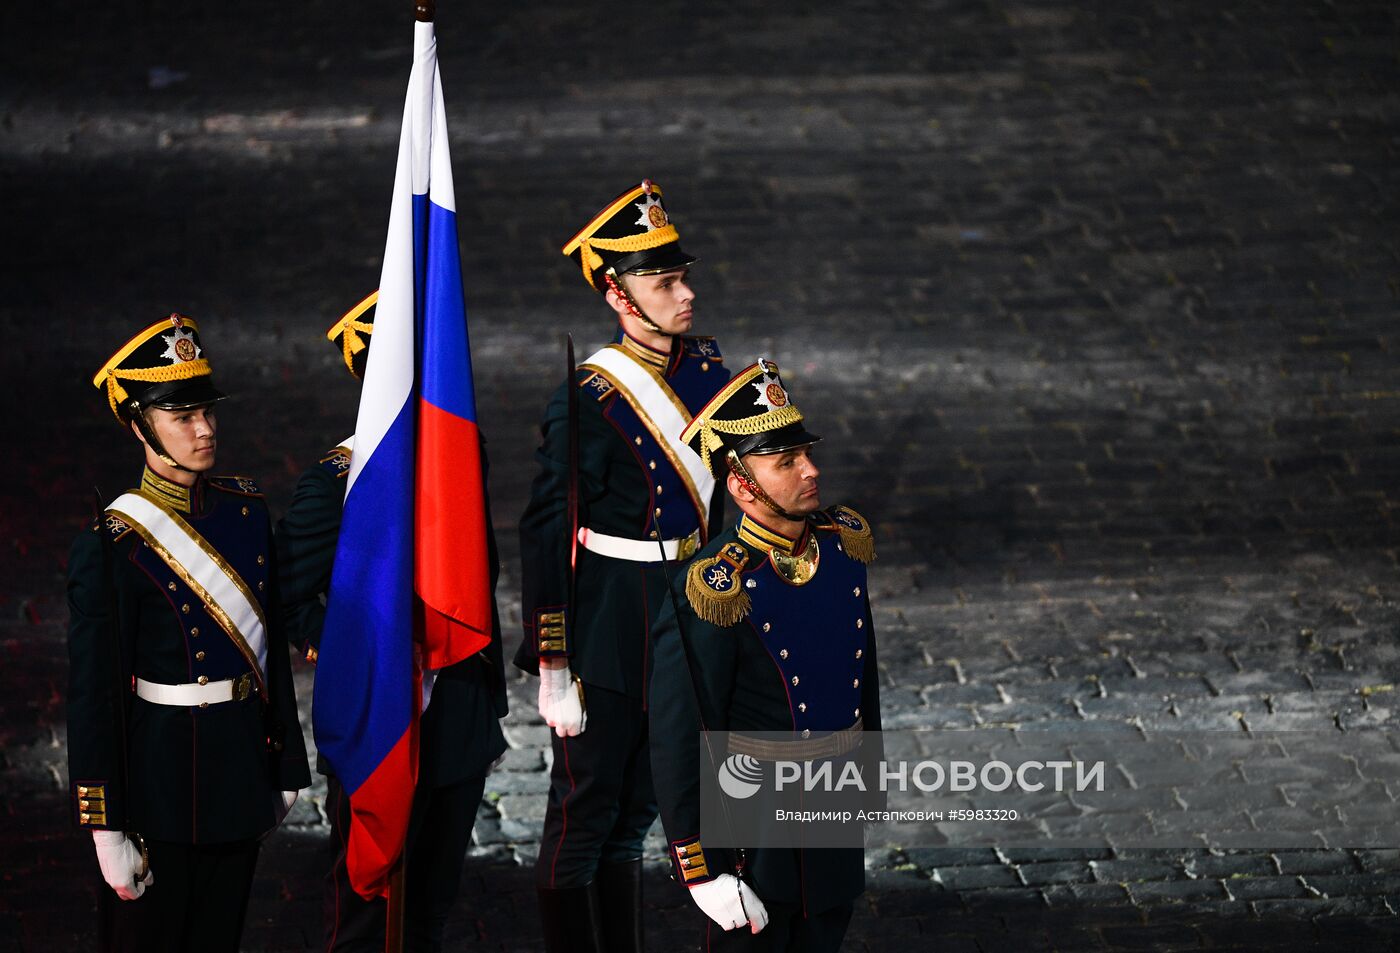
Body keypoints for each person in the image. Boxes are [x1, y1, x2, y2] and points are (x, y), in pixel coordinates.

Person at [515, 180, 732, 952]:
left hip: (686, 614)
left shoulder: (710, 372)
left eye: (682, 276)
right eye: (665, 282)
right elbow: (544, 529)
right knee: (581, 820)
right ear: (618, 293)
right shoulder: (588, 397)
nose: (686, 293)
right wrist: (553, 660)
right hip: (610, 624)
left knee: (637, 818)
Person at [66, 313, 311, 953]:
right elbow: (95, 700)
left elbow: (271, 655)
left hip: (237, 772)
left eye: (206, 411)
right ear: (139, 425)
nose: (203, 429)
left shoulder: (246, 511)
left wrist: (283, 762)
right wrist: (106, 828)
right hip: (159, 786)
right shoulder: (111, 545)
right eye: (181, 416)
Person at [274, 292, 509, 952]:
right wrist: (344, 647)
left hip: (457, 711)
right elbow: (289, 589)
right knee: (366, 909)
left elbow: (478, 569)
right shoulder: (335, 482)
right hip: (379, 715)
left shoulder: (466, 452)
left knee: (431, 903)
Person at [649, 358, 882, 952]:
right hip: (756, 836)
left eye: (805, 454)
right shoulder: (714, 586)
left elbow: (861, 675)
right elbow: (681, 731)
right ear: (740, 484)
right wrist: (701, 868)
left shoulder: (842, 543)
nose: (811, 471)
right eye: (785, 463)